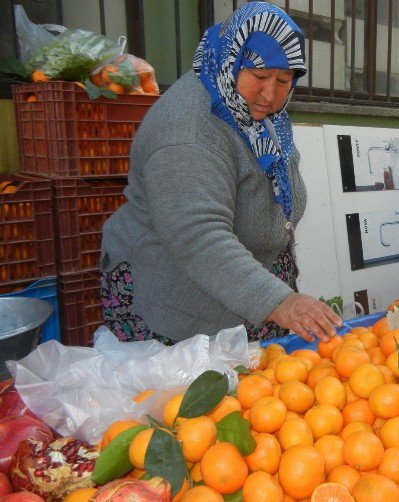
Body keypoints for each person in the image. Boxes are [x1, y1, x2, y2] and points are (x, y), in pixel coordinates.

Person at [99, 2, 341, 345]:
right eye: (258, 77)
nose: (270, 94)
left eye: (284, 80)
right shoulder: (188, 128)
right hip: (174, 298)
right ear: (232, 59)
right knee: (192, 396)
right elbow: (198, 236)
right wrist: (279, 300)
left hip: (242, 286)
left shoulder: (257, 112)